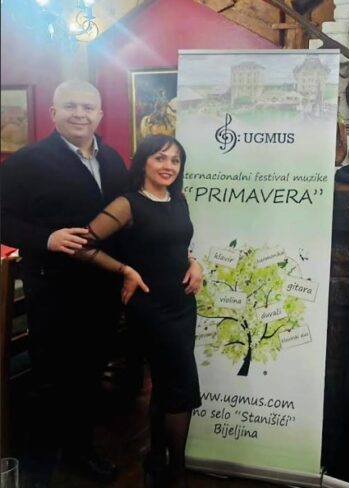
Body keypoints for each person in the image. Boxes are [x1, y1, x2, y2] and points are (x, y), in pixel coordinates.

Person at [0, 80, 127, 484]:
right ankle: (50, 461)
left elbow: (127, 215)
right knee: (56, 376)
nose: (80, 114)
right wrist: (46, 238)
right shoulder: (27, 162)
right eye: (70, 106)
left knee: (90, 371)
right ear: (53, 113)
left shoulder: (112, 159)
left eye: (88, 107)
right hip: (54, 289)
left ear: (100, 114)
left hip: (103, 288)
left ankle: (79, 447)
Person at [72, 134, 202, 488]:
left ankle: (155, 461)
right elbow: (82, 246)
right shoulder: (127, 204)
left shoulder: (178, 199)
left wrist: (194, 262)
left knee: (166, 385)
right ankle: (176, 474)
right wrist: (124, 270)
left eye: (175, 160)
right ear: (143, 161)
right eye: (160, 158)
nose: (168, 166)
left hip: (183, 304)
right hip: (151, 308)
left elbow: (174, 245)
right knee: (181, 389)